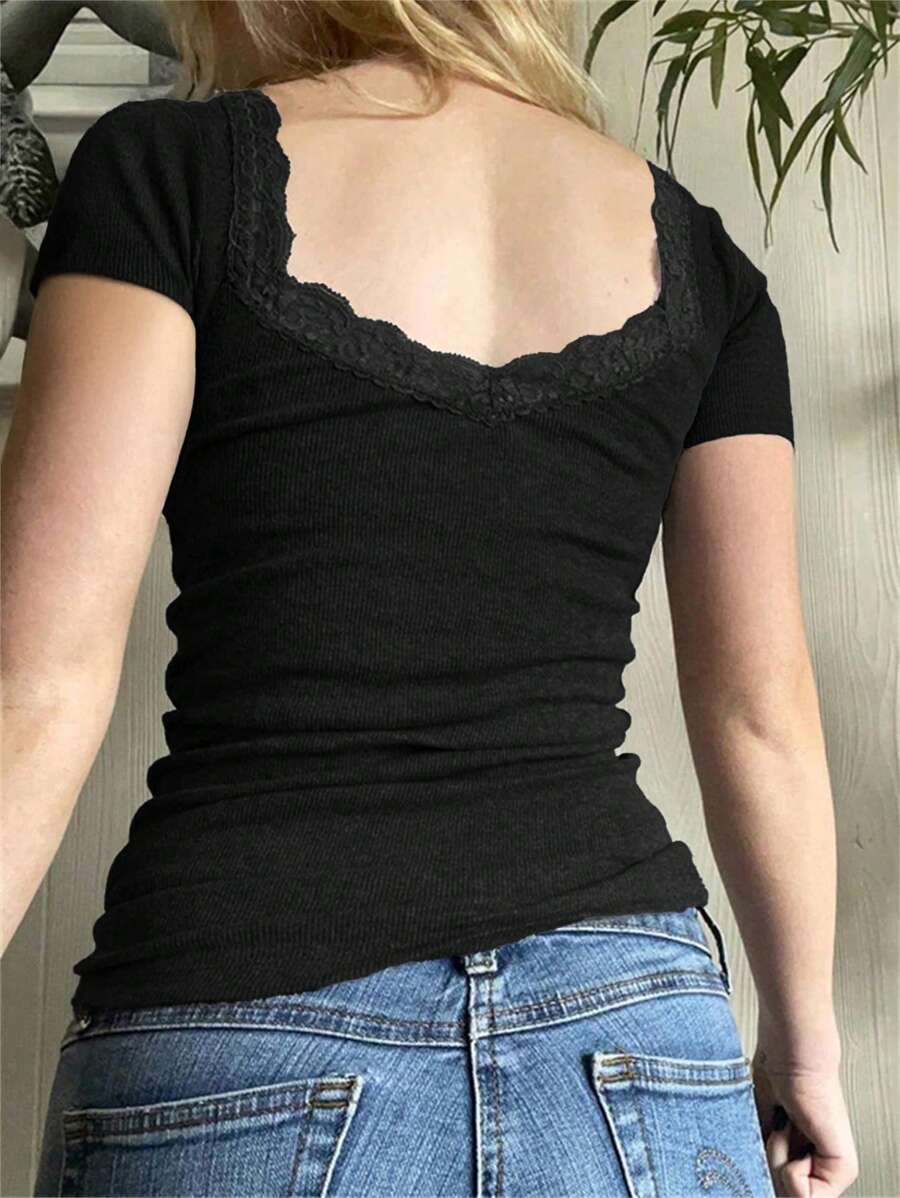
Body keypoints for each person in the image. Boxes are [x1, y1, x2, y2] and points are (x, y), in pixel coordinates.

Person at [1, 2, 858, 1195]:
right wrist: (805, 1043)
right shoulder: (706, 262)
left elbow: (35, 685)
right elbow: (760, 712)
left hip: (247, 1007)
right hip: (636, 1032)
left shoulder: (170, 173)